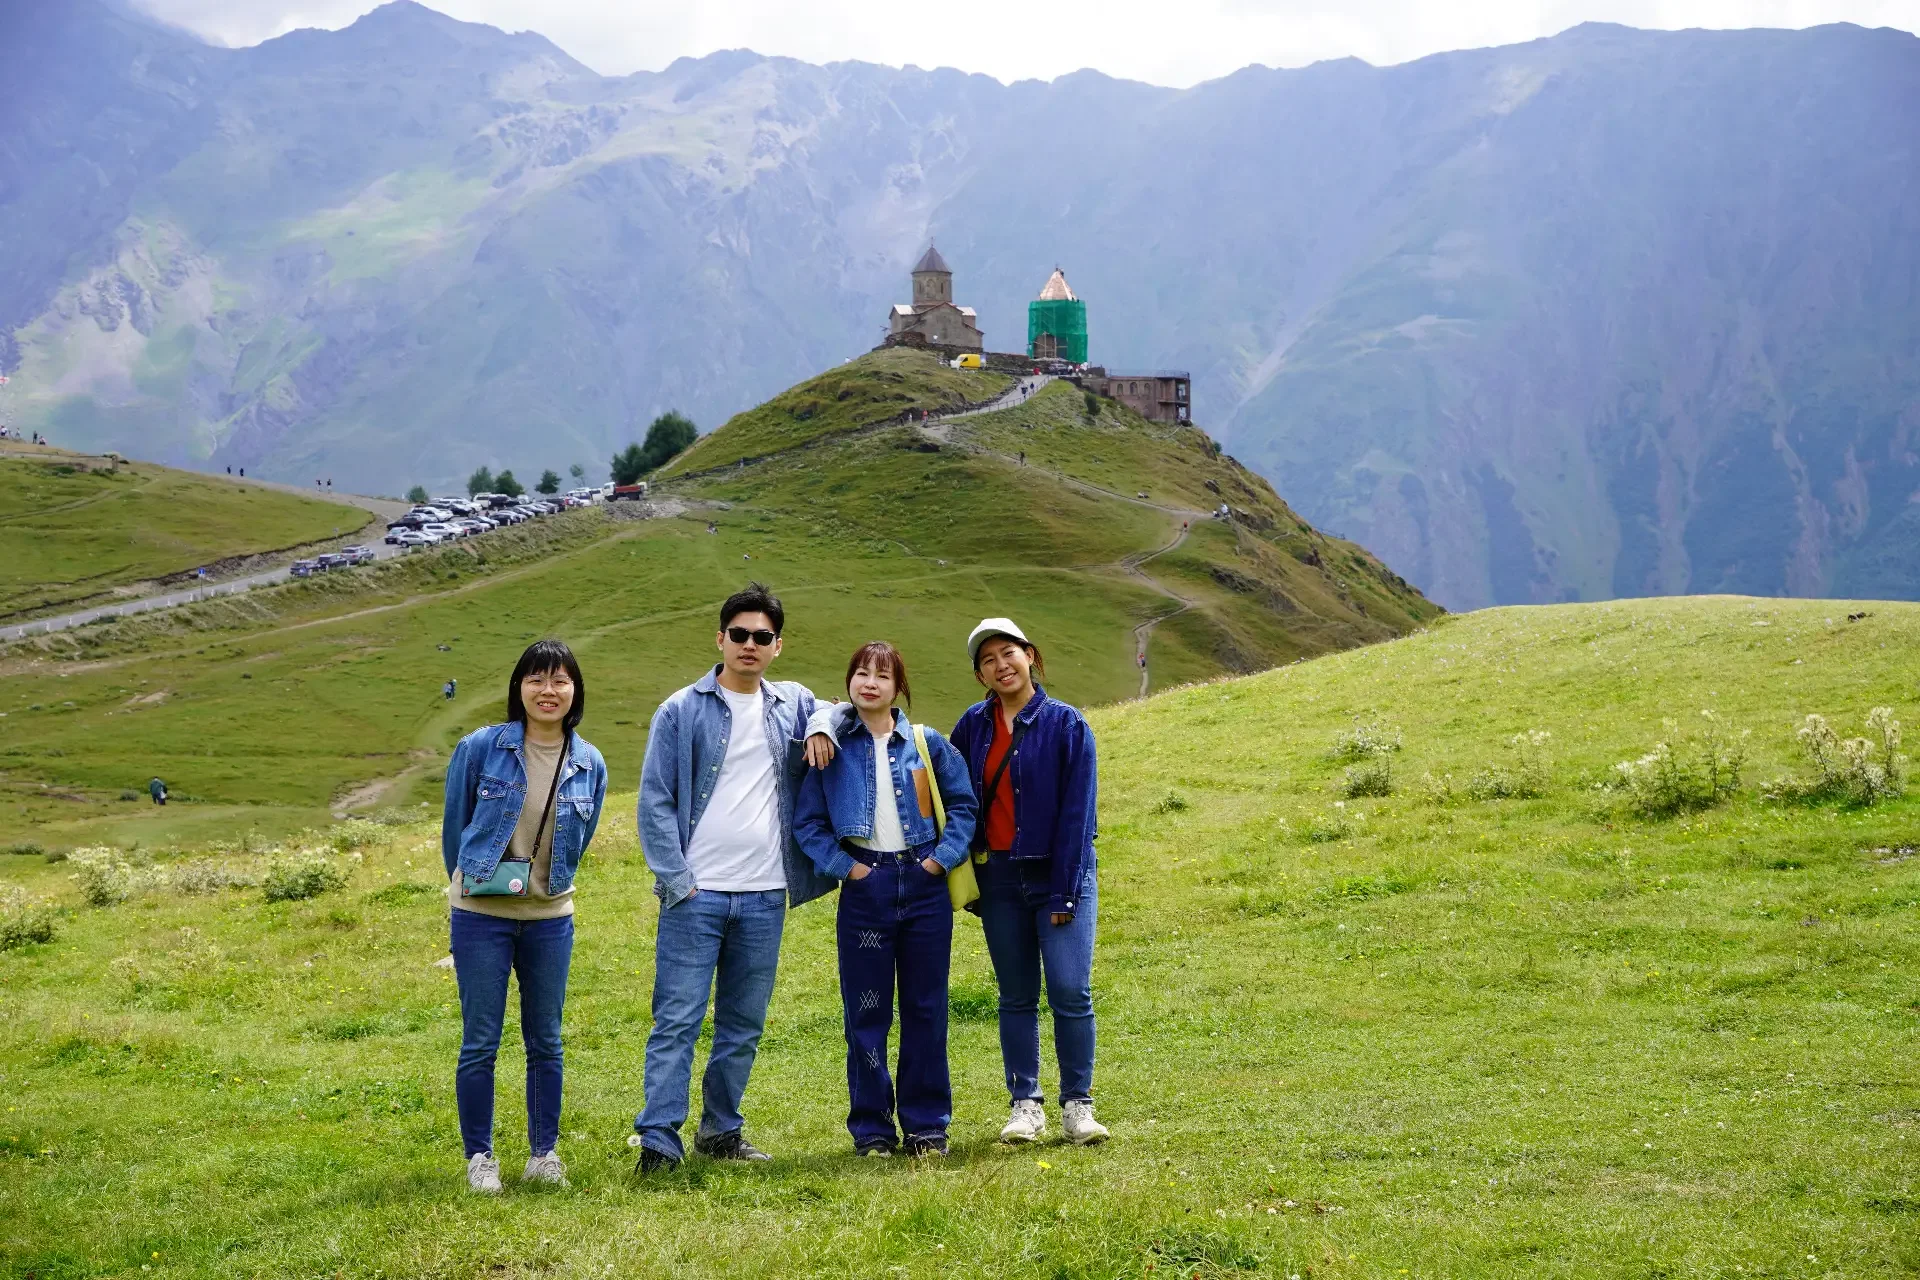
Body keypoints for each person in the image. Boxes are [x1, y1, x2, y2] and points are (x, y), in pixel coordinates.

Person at [632, 582, 837, 1172]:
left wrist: (821, 722)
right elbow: (655, 803)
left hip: (766, 893)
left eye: (762, 637)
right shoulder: (680, 710)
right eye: (739, 634)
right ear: (720, 639)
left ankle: (721, 1133)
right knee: (677, 1021)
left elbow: (838, 704)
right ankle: (659, 1142)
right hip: (695, 895)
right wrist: (678, 881)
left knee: (742, 1026)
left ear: (778, 646)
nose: (750, 644)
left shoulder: (792, 703)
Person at [794, 643, 977, 1158]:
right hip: (865, 889)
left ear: (899, 687)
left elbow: (963, 805)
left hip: (923, 887)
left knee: (925, 1007)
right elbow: (807, 822)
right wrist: (848, 869)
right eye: (860, 673)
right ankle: (872, 1129)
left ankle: (926, 1127)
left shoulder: (927, 743)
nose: (869, 682)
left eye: (882, 675)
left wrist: (939, 861)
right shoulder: (830, 745)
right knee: (867, 1012)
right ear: (849, 682)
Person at [440, 639, 609, 1194]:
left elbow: (580, 838)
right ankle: (480, 1156)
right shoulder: (480, 749)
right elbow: (454, 831)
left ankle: (544, 1153)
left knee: (547, 1039)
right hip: (480, 915)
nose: (548, 690)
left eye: (560, 680)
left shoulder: (590, 763)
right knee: (480, 1040)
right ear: (519, 686)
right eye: (537, 679)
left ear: (575, 691)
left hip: (550, 917)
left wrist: (547, 887)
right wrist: (466, 888)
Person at [948, 618, 1108, 1146]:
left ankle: (1077, 1107)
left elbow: (1077, 817)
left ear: (1031, 656)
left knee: (1069, 990)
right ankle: (1025, 1106)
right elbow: (953, 797)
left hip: (1059, 876)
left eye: (1008, 653)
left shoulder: (1067, 725)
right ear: (980, 676)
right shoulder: (971, 728)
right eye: (988, 660)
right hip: (999, 880)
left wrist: (1065, 890)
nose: (1001, 665)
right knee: (1016, 994)